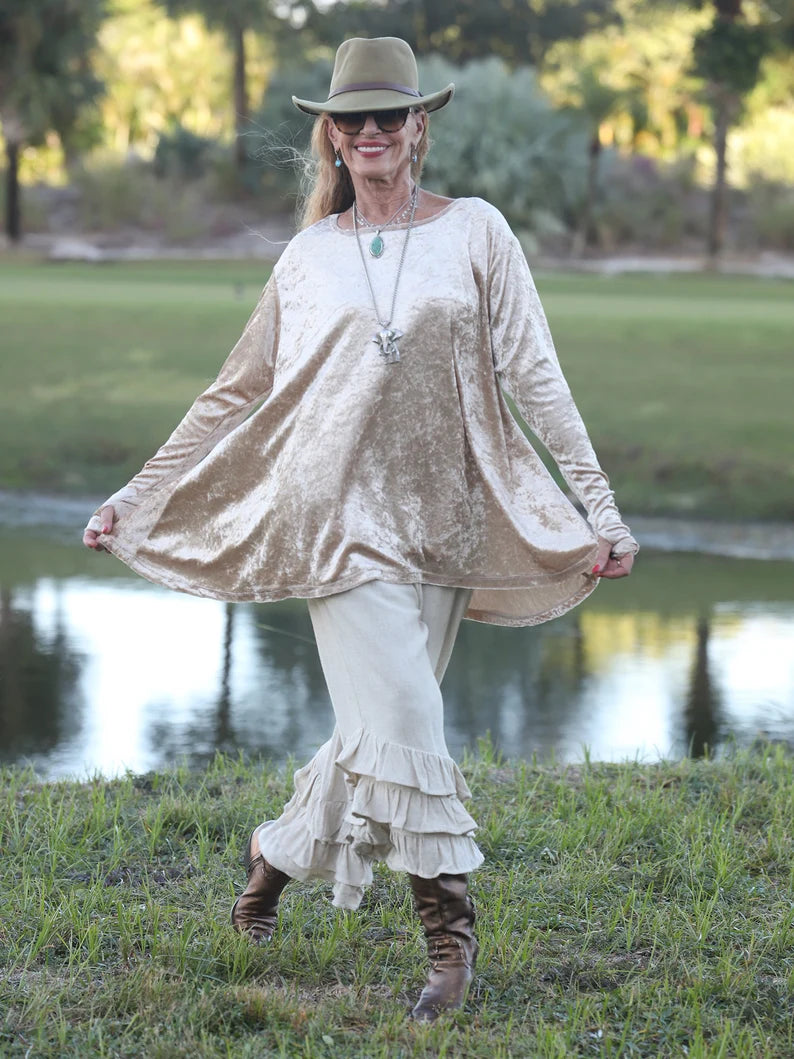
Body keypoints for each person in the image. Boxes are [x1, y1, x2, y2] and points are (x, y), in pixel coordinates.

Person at [83, 36, 638, 1021]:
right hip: (331, 521)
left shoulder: (475, 232)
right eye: (354, 119)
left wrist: (596, 506)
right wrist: (138, 494)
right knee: (413, 726)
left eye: (391, 114)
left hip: (444, 522)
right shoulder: (305, 259)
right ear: (330, 137)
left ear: (420, 126)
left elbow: (533, 376)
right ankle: (449, 951)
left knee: (374, 728)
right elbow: (235, 393)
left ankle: (273, 856)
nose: (373, 132)